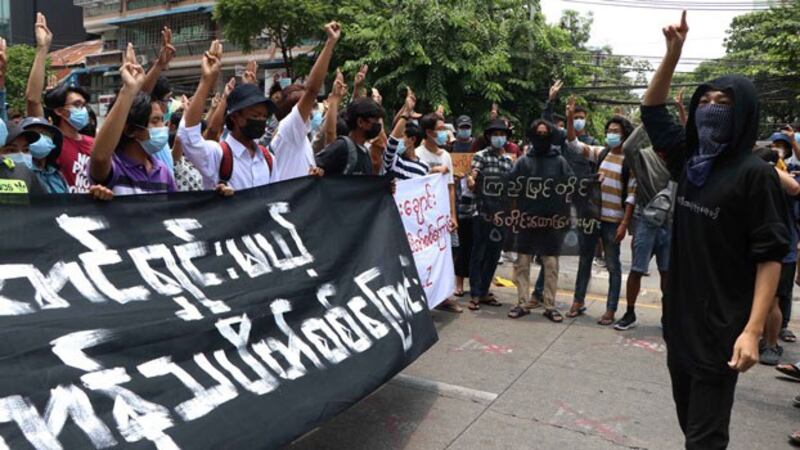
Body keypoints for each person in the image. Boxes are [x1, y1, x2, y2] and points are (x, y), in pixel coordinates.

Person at [642, 12, 789, 449]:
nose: (710, 108)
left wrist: (752, 329)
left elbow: (770, 256)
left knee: (704, 439)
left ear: (743, 114)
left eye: (724, 104)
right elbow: (651, 110)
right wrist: (673, 55)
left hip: (723, 326)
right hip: (680, 319)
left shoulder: (754, 174)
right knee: (691, 423)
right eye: (706, 101)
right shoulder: (690, 158)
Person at [566, 97, 636, 325]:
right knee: (585, 259)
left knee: (613, 266)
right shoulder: (602, 153)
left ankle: (611, 309)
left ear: (625, 134)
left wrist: (624, 223)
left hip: (613, 221)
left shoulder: (630, 161)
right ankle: (578, 301)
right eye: (609, 130)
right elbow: (575, 145)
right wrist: (569, 117)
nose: (611, 134)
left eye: (615, 131)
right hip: (593, 217)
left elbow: (632, 196)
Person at [178, 41, 284, 190]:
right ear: (236, 117)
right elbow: (188, 137)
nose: (261, 120)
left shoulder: (269, 160)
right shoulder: (218, 155)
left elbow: (276, 203)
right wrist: (206, 81)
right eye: (255, 115)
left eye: (264, 116)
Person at [89, 44, 184, 196]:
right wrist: (128, 90)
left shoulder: (163, 172)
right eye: (154, 121)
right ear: (130, 129)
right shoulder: (115, 167)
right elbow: (99, 158)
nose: (163, 127)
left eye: (162, 120)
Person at [507, 119, 572, 323]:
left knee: (551, 264)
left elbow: (570, 186)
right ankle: (522, 303)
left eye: (545, 133)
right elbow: (510, 185)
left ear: (550, 136)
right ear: (533, 136)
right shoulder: (524, 161)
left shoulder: (560, 161)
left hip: (551, 223)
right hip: (527, 220)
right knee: (522, 264)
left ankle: (550, 305)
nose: (541, 136)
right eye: (538, 133)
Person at [615, 125, 674, 331]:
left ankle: (668, 316)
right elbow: (629, 146)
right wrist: (648, 122)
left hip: (671, 224)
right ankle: (630, 312)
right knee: (637, 270)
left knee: (667, 273)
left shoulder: (679, 158)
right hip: (647, 223)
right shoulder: (645, 158)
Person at [27, 14, 92, 193]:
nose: (83, 110)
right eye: (77, 105)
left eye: (84, 105)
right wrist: (42, 48)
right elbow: (32, 99)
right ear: (60, 111)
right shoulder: (51, 143)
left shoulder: (94, 144)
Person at [271, 22, 341, 181]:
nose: (312, 109)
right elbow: (312, 89)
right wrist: (330, 43)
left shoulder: (299, 138)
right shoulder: (288, 129)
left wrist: (314, 174)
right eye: (308, 105)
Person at [752, 146, 800, 364]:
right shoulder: (753, 181)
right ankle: (759, 337)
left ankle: (771, 344)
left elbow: (794, 188)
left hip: (781, 252)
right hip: (755, 249)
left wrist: (771, 168)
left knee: (772, 301)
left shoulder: (783, 183)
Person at [468, 119, 514, 311]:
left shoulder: (508, 161)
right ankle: (475, 294)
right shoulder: (481, 156)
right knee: (478, 252)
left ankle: (484, 290)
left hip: (501, 215)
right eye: (495, 134)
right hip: (483, 211)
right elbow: (474, 174)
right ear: (489, 137)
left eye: (501, 134)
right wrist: (471, 179)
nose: (498, 138)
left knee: (493, 254)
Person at [315, 97, 384, 176]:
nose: (378, 125)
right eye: (375, 121)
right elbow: (312, 170)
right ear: (360, 122)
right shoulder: (342, 147)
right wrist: (316, 173)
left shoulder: (366, 154)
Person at [417, 113, 458, 229]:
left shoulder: (446, 156)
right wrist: (432, 172)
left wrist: (453, 215)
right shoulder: (417, 154)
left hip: (443, 212)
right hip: (424, 214)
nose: (444, 133)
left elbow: (450, 188)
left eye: (444, 129)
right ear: (429, 132)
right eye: (440, 129)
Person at [19, 117, 68, 194]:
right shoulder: (19, 173)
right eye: (33, 135)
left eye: (44, 133)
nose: (40, 138)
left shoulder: (56, 175)